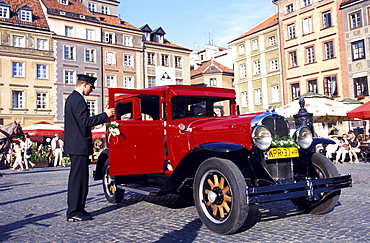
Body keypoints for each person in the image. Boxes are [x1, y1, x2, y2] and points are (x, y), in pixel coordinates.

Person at [64, 74, 115, 222]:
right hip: (78, 146)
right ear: (84, 84)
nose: (91, 90)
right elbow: (86, 122)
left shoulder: (73, 99)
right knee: (78, 179)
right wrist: (105, 115)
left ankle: (79, 208)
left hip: (77, 145)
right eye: (91, 87)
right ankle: (73, 211)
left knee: (81, 178)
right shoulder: (78, 100)